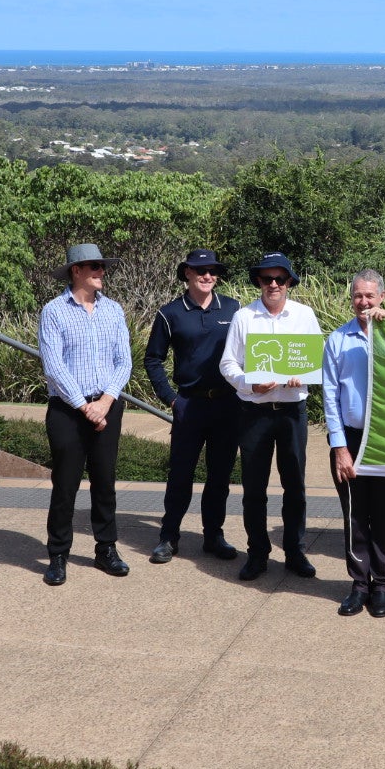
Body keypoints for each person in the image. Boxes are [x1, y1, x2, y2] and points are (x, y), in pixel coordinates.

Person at [219, 252, 323, 582]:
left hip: (292, 411)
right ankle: (258, 553)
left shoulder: (305, 315)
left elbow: (316, 361)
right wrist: (249, 382)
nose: (273, 284)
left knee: (295, 486)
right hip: (255, 412)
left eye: (280, 278)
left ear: (290, 281)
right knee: (253, 488)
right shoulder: (244, 317)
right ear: (259, 282)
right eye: (267, 279)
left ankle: (294, 550)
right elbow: (228, 364)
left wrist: (302, 375)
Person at [37, 243, 133, 587]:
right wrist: (84, 406)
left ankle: (106, 549)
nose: (101, 271)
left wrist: (105, 402)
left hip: (106, 407)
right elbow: (54, 366)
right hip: (68, 410)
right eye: (94, 266)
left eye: (102, 266)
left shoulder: (113, 311)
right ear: (75, 271)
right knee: (65, 484)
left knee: (105, 482)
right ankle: (58, 554)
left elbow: (124, 361)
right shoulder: (53, 311)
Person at [143, 248, 243, 565]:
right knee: (181, 475)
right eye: (200, 270)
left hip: (227, 404)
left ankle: (213, 535)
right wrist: (170, 398)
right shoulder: (170, 313)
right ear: (186, 273)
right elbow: (153, 359)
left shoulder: (233, 308)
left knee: (219, 476)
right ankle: (168, 536)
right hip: (189, 404)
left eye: (213, 270)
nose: (207, 275)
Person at [322, 270, 385, 617]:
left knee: (384, 516)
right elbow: (330, 397)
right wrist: (340, 448)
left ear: (382, 297)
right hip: (351, 438)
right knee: (355, 517)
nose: (363, 302)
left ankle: (382, 585)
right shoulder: (337, 340)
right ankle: (358, 584)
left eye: (369, 296)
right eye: (357, 296)